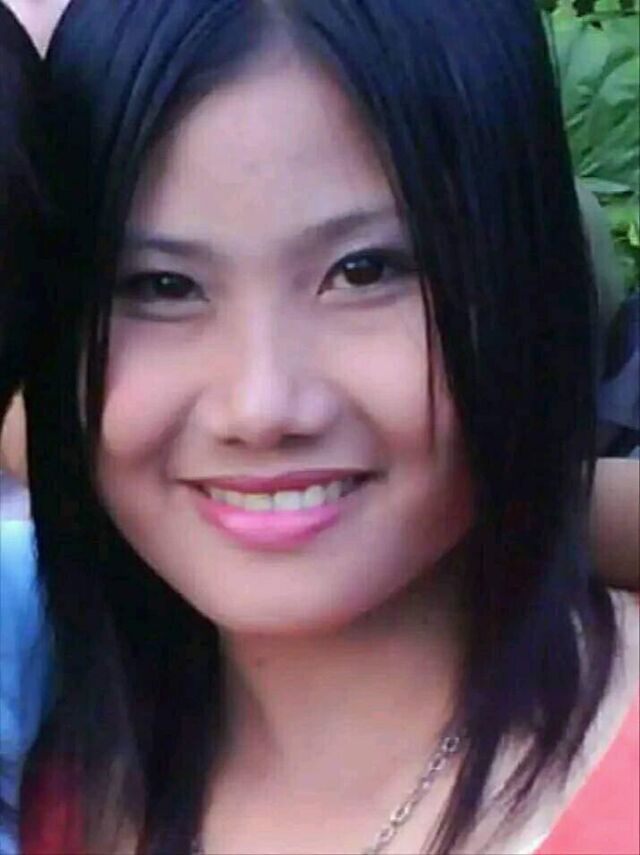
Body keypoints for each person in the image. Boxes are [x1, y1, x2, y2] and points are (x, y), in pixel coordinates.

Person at [5, 1, 639, 853]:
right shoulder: (43, 739)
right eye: (161, 286)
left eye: (365, 271)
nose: (261, 406)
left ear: (522, 273)